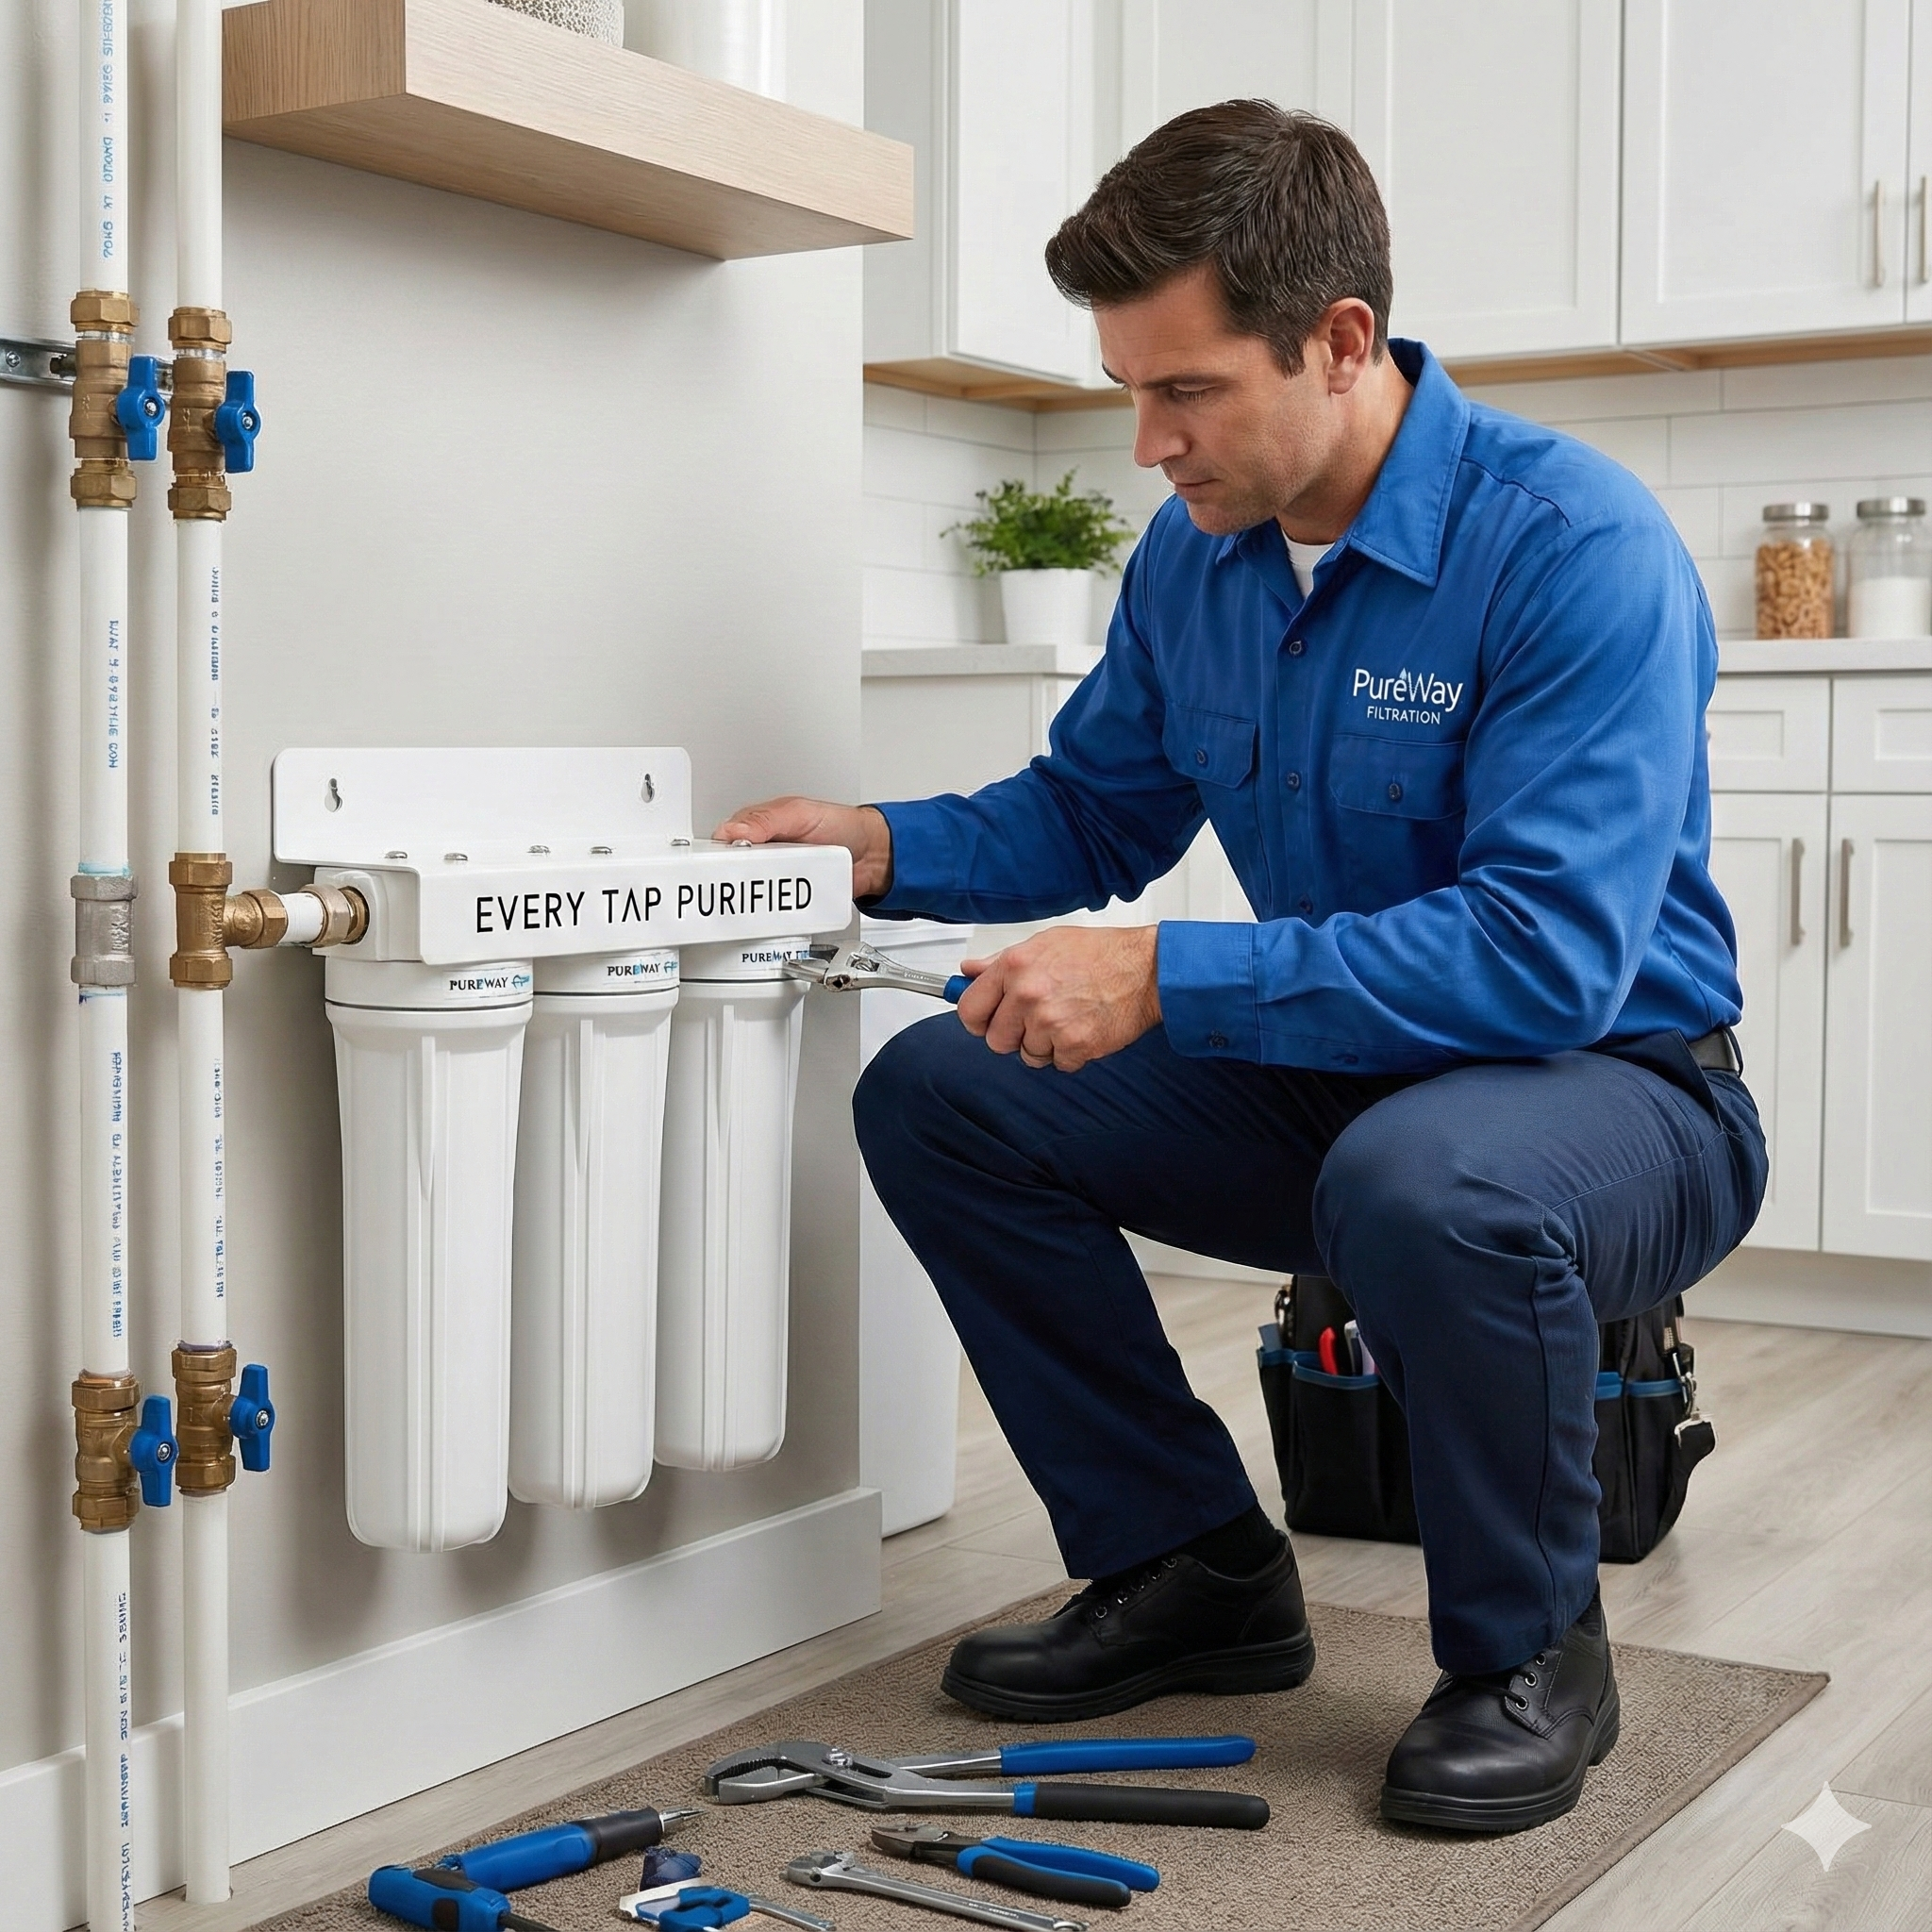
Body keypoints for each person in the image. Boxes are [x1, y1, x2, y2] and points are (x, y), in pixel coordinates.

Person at [718, 102, 1766, 1836]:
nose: (1149, 444)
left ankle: (1531, 1655)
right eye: (1129, 389)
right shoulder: (1196, 560)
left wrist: (1165, 977)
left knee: (1426, 1179)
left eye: (1187, 391)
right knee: (946, 1092)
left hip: (1626, 1096)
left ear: (1340, 342)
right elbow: (1088, 808)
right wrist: (876, 844)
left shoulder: (1572, 546)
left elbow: (1547, 958)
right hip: (1347, 1089)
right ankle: (1192, 1565)